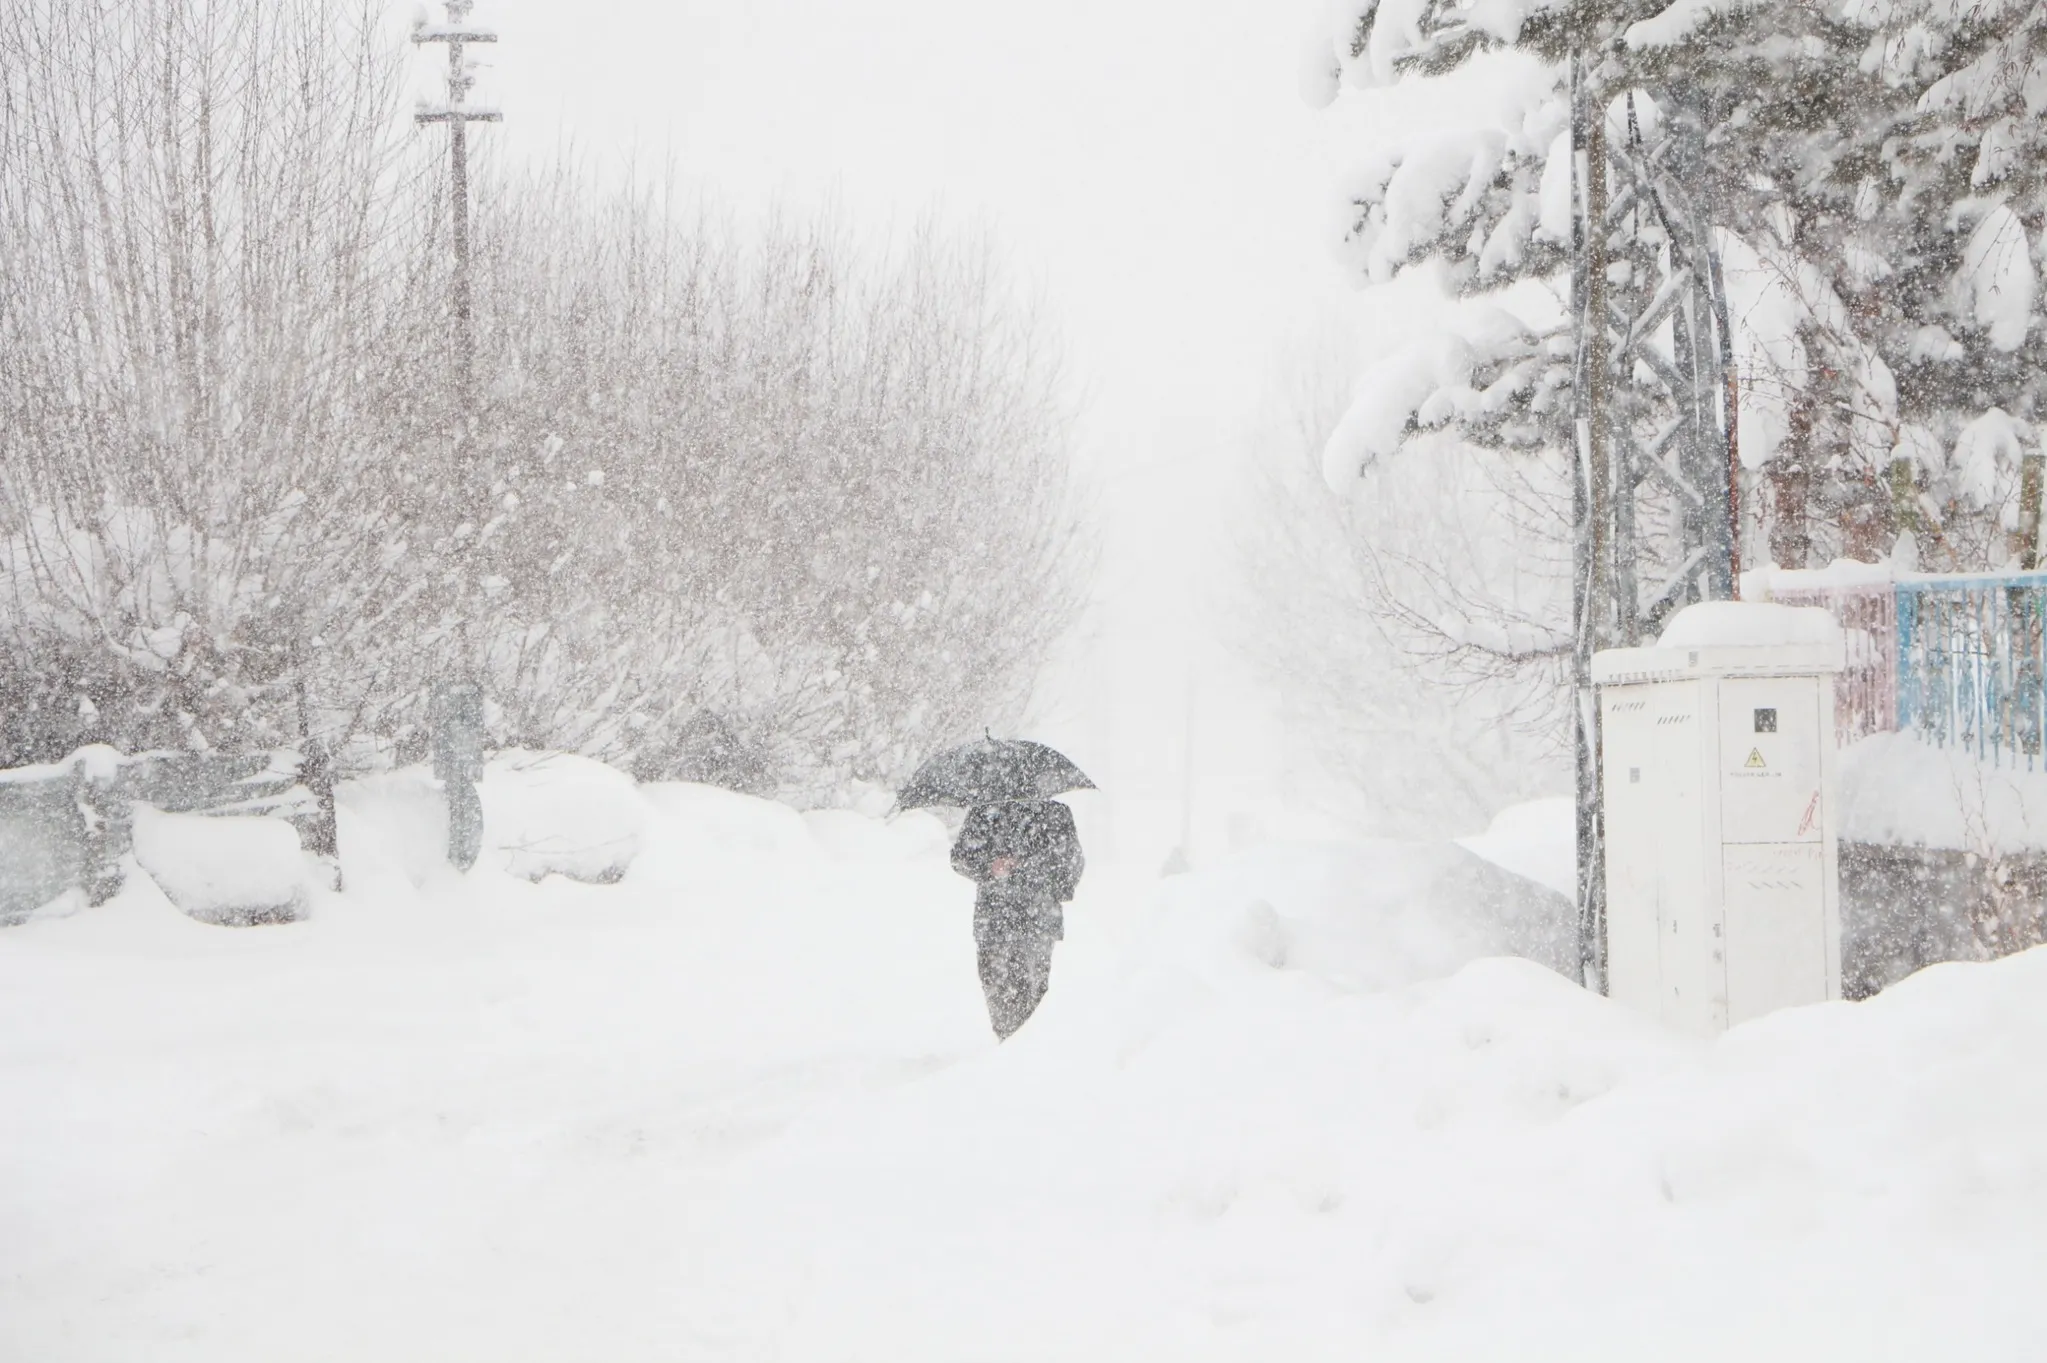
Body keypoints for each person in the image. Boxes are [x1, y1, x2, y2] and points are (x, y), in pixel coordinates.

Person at [950, 798, 1084, 1040]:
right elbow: (960, 857)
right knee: (1000, 992)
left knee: (1033, 993)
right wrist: (990, 866)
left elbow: (1070, 867)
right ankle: (1009, 1047)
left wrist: (1028, 869)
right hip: (996, 921)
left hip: (1036, 922)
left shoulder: (1055, 814)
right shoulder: (985, 811)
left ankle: (1024, 1049)